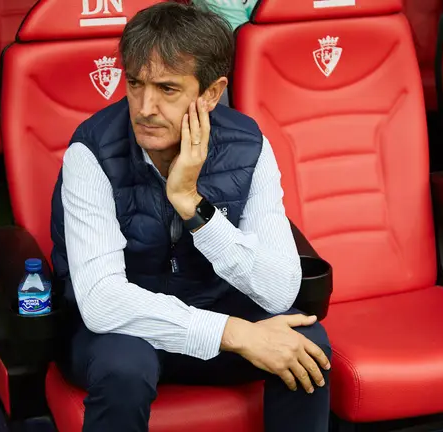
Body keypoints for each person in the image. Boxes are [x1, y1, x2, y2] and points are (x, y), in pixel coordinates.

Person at [50, 3, 332, 432]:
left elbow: (278, 292)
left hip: (212, 310)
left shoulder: (249, 146)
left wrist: (192, 205)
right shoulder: (90, 153)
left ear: (211, 94)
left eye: (167, 89)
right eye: (135, 83)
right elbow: (102, 301)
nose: (145, 107)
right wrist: (232, 333)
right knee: (124, 367)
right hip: (125, 332)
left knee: (305, 345)